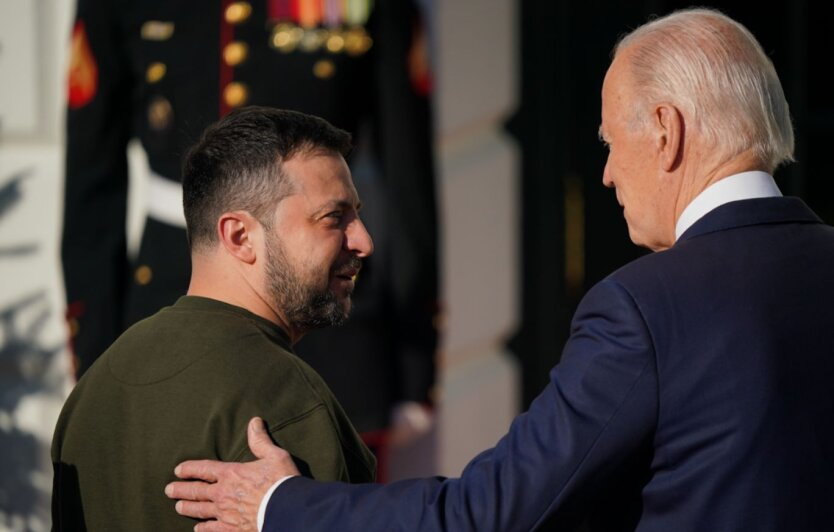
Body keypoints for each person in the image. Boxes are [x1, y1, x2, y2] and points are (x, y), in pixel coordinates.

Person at [164, 8, 834, 531]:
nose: (605, 173)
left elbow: (491, 514)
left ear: (666, 130)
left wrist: (281, 507)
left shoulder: (644, 307)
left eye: (610, 140)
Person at [62, 0, 439, 465]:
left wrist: (414, 358)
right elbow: (91, 186)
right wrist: (98, 355)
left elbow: (408, 174)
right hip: (170, 296)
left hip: (330, 331)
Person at [51, 107, 377, 530]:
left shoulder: (96, 386)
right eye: (334, 218)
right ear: (240, 236)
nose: (364, 241)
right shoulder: (284, 397)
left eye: (357, 214)